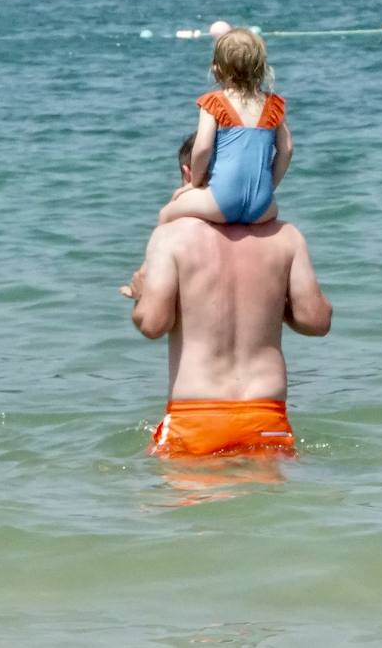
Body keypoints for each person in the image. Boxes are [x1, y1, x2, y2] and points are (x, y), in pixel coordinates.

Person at [122, 134, 331, 456]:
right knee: (267, 506)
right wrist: (275, 302)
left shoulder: (171, 237)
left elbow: (153, 324)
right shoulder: (285, 236)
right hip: (266, 411)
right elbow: (316, 321)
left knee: (189, 505)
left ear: (189, 174)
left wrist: (141, 296)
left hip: (196, 412)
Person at [157, 28, 292, 226]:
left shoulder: (214, 103)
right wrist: (268, 188)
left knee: (167, 214)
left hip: (222, 201)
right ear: (260, 68)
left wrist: (194, 184)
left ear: (217, 69)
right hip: (262, 206)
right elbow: (286, 150)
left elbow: (203, 148)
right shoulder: (273, 105)